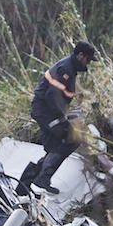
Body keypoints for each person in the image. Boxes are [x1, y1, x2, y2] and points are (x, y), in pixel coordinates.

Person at [16, 41, 96, 196]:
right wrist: (63, 119)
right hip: (45, 112)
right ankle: (42, 180)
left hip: (47, 111)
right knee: (70, 139)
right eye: (88, 60)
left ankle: (24, 186)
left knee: (54, 146)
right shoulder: (65, 69)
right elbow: (52, 96)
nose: (88, 64)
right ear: (80, 55)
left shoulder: (69, 68)